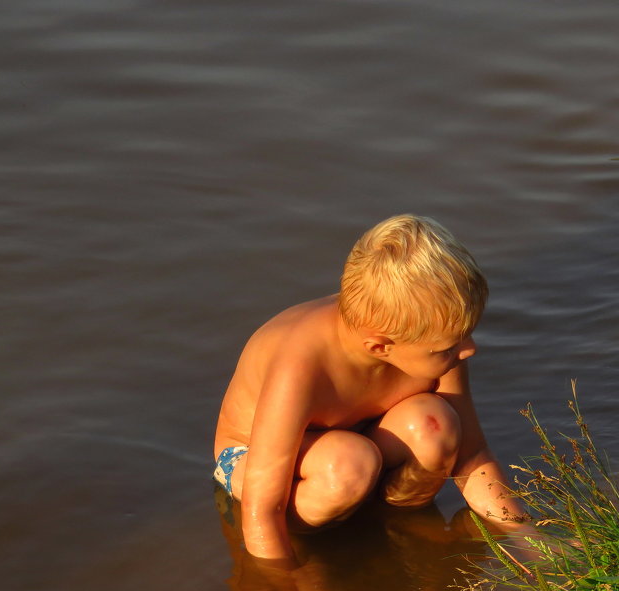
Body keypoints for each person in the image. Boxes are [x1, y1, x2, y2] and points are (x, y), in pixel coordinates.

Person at [213, 214, 530, 562]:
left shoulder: (432, 335)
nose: (469, 349)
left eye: (465, 335)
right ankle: (315, 545)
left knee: (435, 425)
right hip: (256, 461)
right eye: (447, 348)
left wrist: (528, 537)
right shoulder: (300, 366)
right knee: (348, 463)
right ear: (380, 347)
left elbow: (471, 456)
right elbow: (263, 506)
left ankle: (396, 523)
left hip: (358, 447)